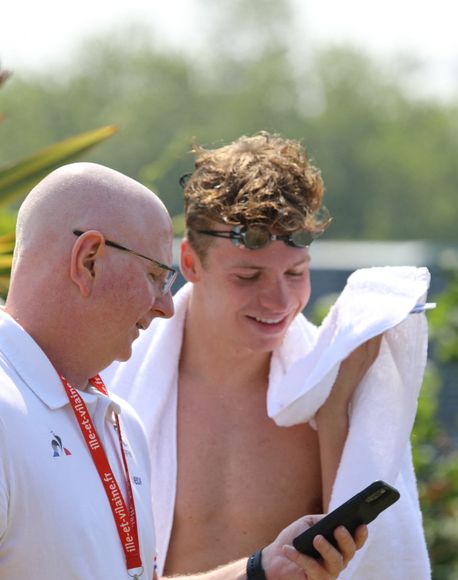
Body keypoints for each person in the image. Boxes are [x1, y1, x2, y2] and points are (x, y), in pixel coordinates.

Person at [0, 161, 366, 580]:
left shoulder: (119, 424)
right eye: (156, 275)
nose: (166, 305)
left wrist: (261, 571)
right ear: (89, 261)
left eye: (295, 273)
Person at [106, 132, 432, 578]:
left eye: (295, 273)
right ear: (190, 263)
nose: (278, 300)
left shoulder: (323, 391)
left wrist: (336, 410)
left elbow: (368, 566)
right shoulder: (111, 384)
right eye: (248, 276)